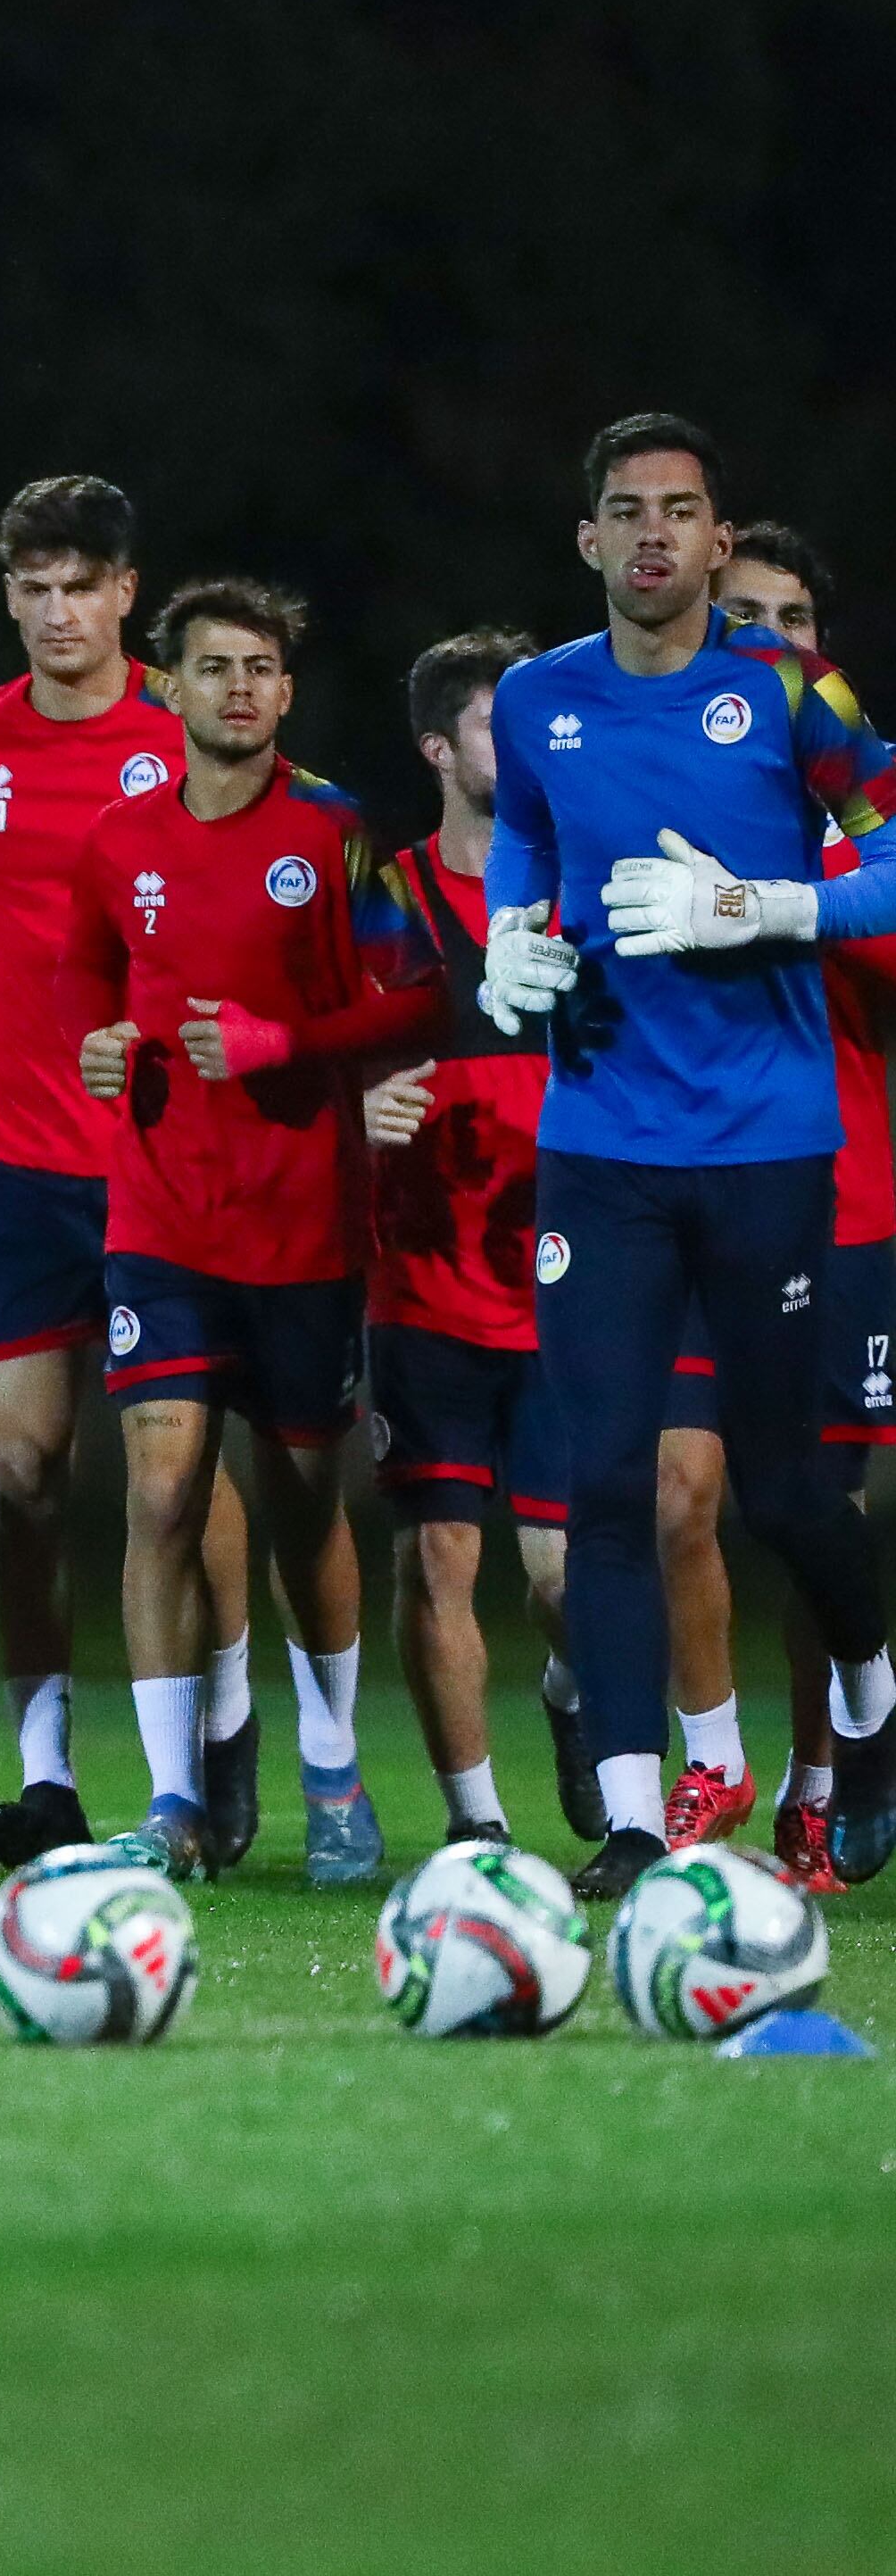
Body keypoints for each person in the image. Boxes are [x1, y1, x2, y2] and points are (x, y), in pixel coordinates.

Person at [480, 412, 896, 1894]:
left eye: (683, 511)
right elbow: (525, 836)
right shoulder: (535, 701)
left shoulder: (789, 686)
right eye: (626, 511)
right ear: (588, 541)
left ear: (722, 544)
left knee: (786, 1493)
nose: (654, 533)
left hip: (771, 1147)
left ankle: (871, 1696)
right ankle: (643, 1816)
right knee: (608, 1487)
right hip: (597, 1144)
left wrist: (776, 910)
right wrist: (506, 944)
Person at [61, 578, 437, 1886]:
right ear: (167, 686)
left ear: (285, 690)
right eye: (214, 665)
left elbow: (416, 1002)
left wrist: (293, 1046)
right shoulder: (117, 840)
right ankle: (171, 1798)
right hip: (159, 1214)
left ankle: (331, 1764)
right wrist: (104, 1048)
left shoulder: (334, 833)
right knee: (159, 1488)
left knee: (299, 1501)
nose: (238, 687)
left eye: (261, 668)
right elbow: (90, 990)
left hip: (301, 1227)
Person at [0, 475, 255, 1870]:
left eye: (83, 587)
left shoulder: (186, 731)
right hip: (16, 1161)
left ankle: (218, 1734)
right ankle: (47, 1773)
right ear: (11, 595)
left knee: (173, 1476)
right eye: (34, 588)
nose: (58, 613)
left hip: (159, 1162)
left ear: (127, 595)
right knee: (20, 1470)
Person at [638, 520, 896, 1890]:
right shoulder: (661, 774)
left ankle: (826, 1775)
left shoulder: (858, 825)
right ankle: (715, 1767)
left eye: (792, 621)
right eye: (746, 617)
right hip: (682, 1188)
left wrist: (770, 905)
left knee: (809, 1513)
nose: (769, 643)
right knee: (683, 1496)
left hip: (838, 1201)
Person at [355, 629, 598, 1851]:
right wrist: (363, 1106)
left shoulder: (583, 886)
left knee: (561, 1581)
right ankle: (477, 1830)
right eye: (509, 723)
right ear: (441, 748)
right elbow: (343, 1046)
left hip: (565, 1286)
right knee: (439, 1558)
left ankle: (571, 1697)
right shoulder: (390, 898)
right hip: (426, 1286)